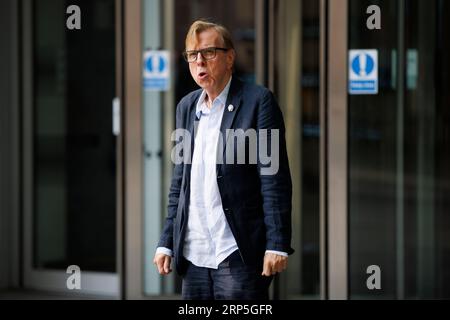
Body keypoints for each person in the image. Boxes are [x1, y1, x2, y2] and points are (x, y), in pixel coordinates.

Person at [153, 19, 293, 300]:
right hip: (194, 254)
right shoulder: (186, 107)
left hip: (236, 252)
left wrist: (277, 242)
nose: (199, 61)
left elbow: (273, 176)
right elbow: (180, 182)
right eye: (192, 55)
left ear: (230, 58)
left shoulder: (258, 102)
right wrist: (166, 241)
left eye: (208, 52)